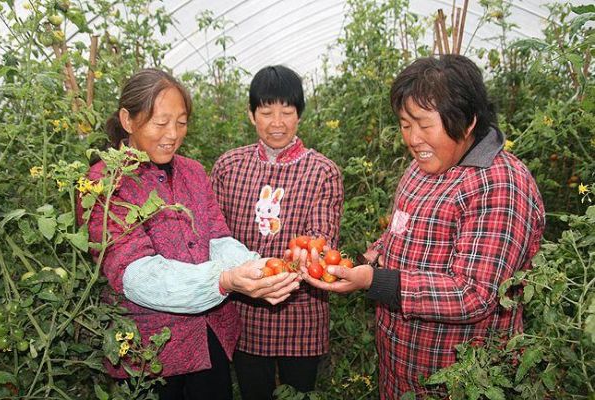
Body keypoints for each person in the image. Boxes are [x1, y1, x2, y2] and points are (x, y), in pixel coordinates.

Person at [302, 55, 545, 399]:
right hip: (402, 364)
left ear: (467, 119)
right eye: (404, 124)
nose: (413, 139)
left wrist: (374, 281)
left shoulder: (500, 184)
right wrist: (376, 254)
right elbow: (401, 230)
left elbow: (473, 294)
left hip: (458, 379)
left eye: (424, 124)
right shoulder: (421, 167)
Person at [86, 68, 300, 400]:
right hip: (147, 353)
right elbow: (134, 272)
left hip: (208, 339)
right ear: (128, 120)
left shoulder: (193, 172)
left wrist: (256, 268)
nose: (172, 134)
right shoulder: (106, 182)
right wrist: (224, 280)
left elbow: (217, 239)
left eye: (181, 122)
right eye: (160, 123)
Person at [211, 65, 344, 399]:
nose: (277, 122)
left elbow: (322, 235)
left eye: (287, 111)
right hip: (245, 311)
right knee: (253, 390)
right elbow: (215, 236)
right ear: (251, 114)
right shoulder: (229, 167)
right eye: (267, 112)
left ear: (299, 115)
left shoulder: (322, 171)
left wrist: (306, 253)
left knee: (299, 391)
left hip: (302, 311)